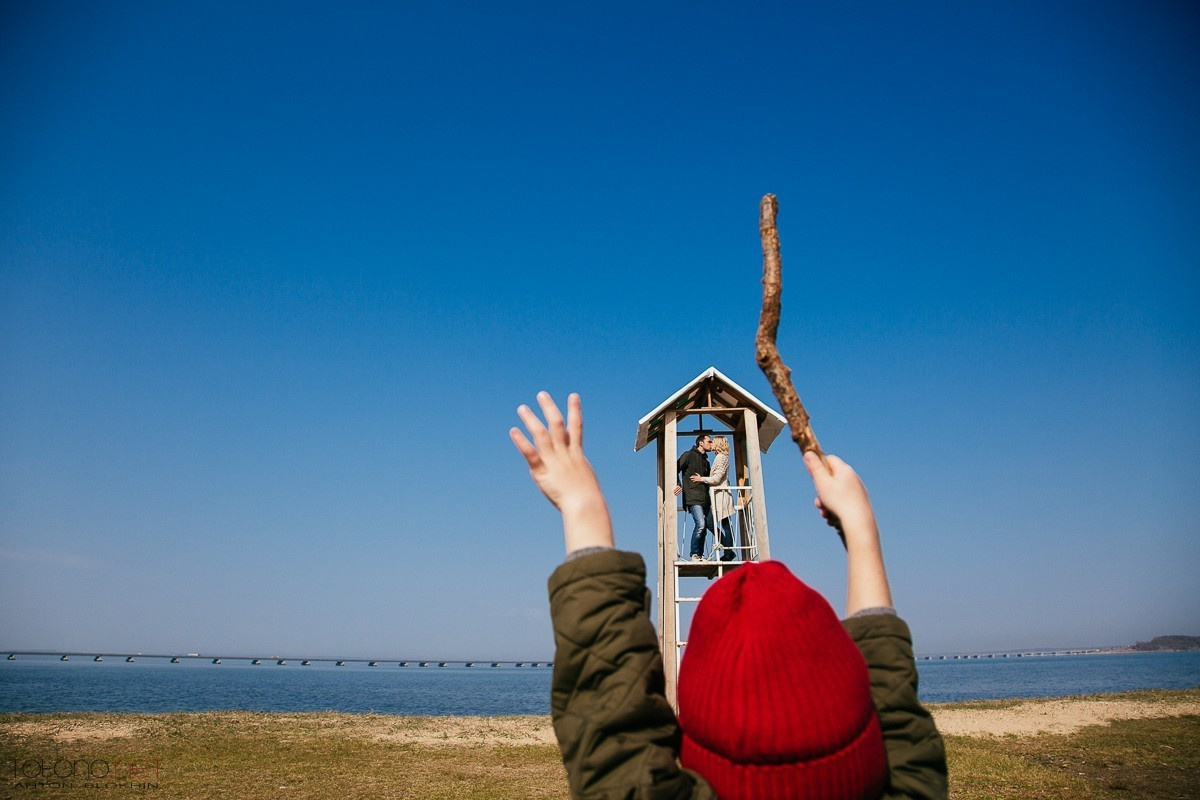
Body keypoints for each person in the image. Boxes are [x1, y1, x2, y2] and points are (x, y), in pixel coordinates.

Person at [510, 391, 947, 800]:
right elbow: (890, 691)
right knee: (703, 526)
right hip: (700, 501)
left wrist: (582, 506)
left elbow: (608, 707)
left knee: (705, 528)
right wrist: (861, 527)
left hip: (712, 504)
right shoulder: (911, 781)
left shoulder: (914, 775)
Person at [689, 435, 736, 561]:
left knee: (722, 524)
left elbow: (716, 479)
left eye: (713, 442)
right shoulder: (721, 457)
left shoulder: (721, 458)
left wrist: (701, 479)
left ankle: (728, 550)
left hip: (721, 495)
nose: (711, 444)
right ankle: (728, 549)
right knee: (716, 523)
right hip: (717, 496)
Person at [676, 434, 714, 561]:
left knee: (709, 526)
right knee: (701, 524)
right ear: (701, 443)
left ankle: (702, 554)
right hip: (692, 497)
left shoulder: (706, 462)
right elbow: (674, 468)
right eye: (709, 441)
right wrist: (678, 484)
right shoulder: (688, 455)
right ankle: (694, 554)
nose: (711, 443)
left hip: (705, 499)